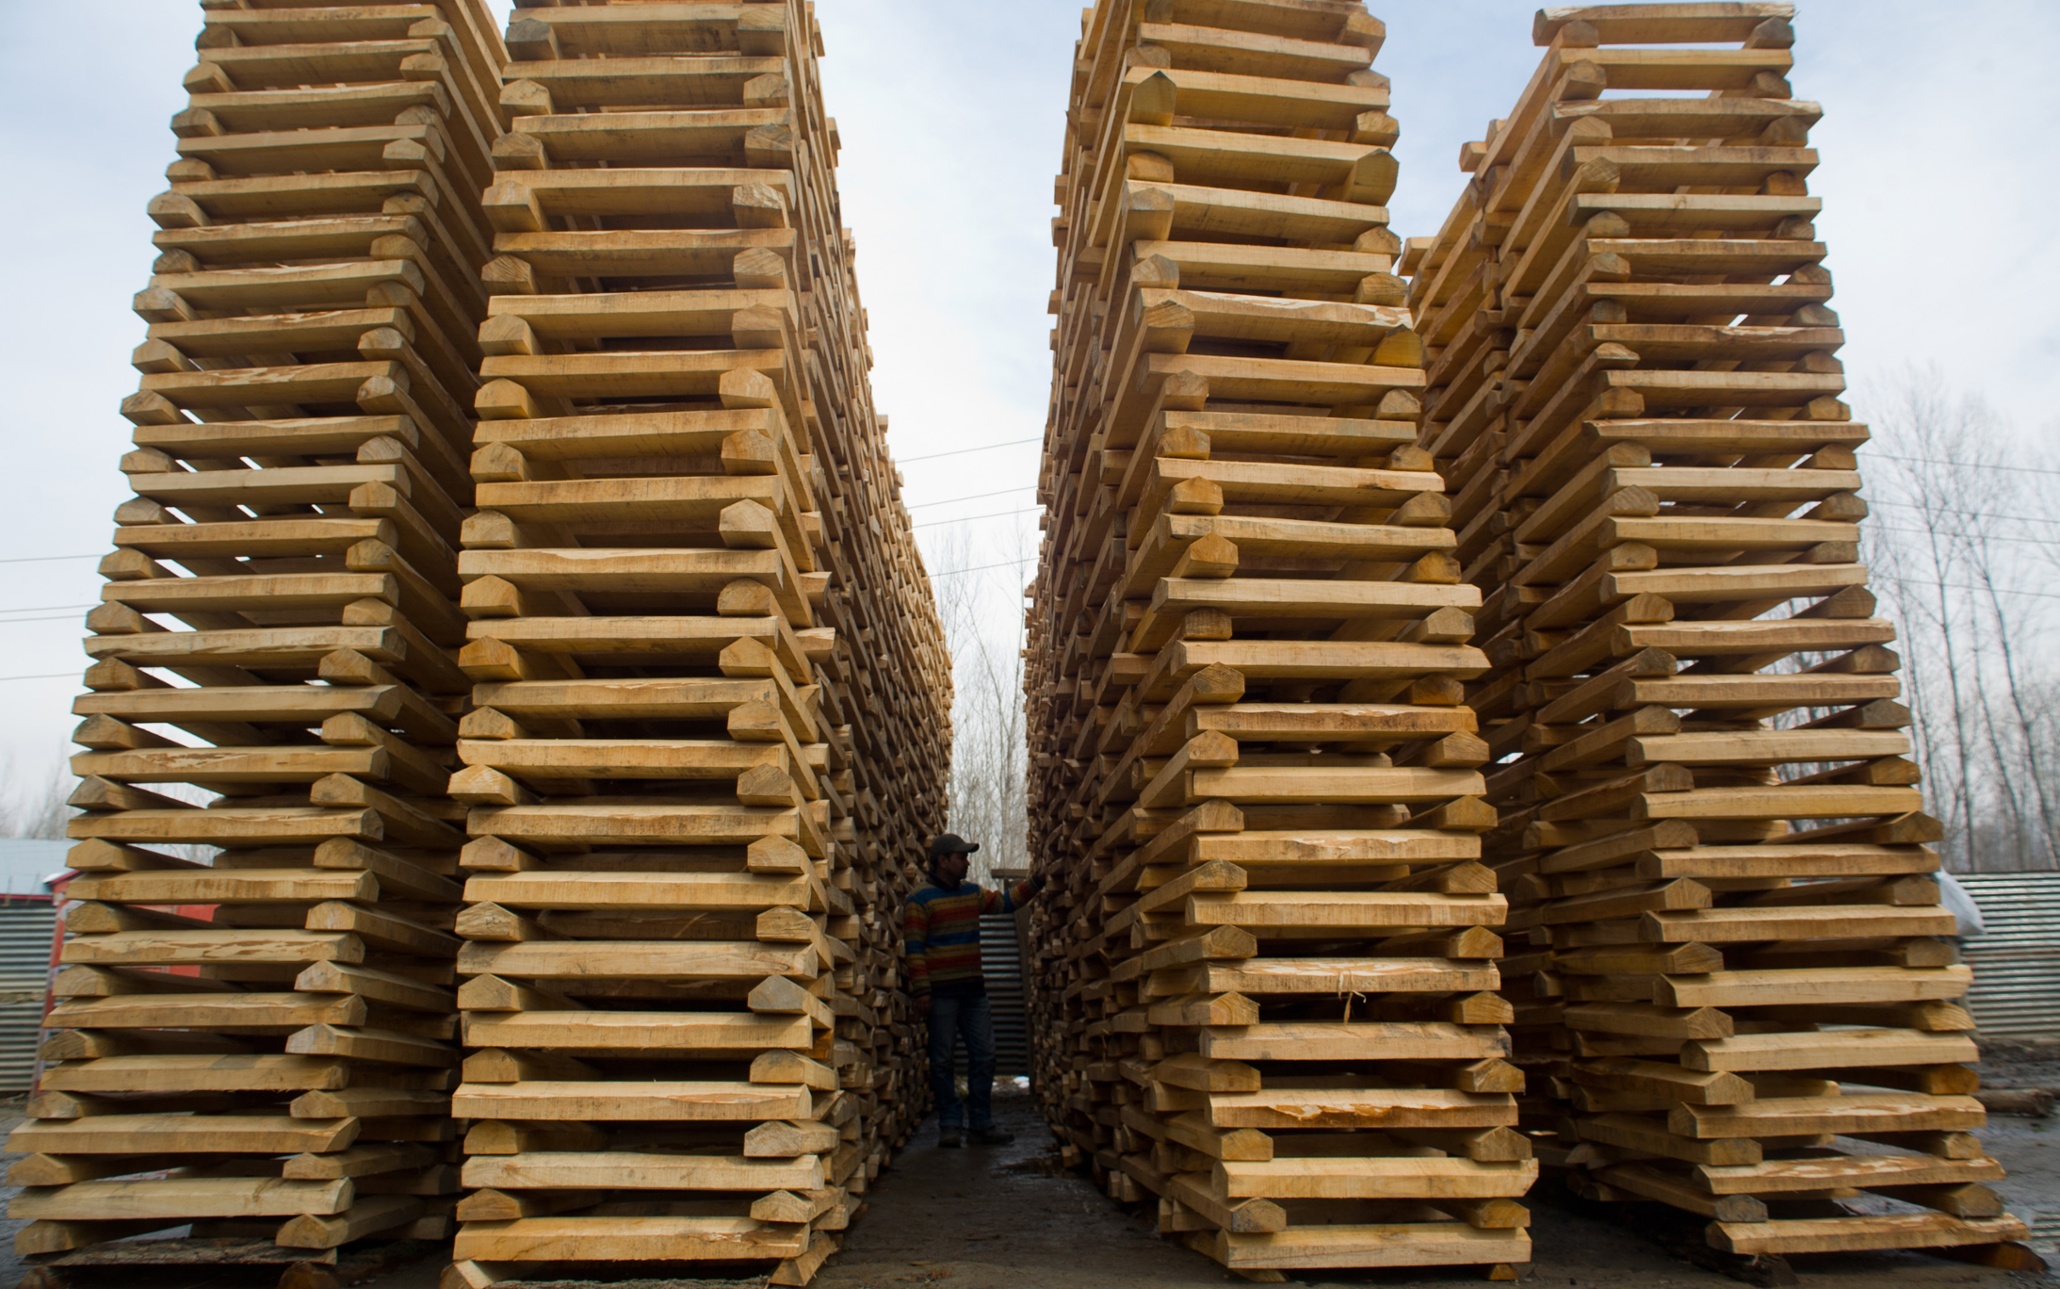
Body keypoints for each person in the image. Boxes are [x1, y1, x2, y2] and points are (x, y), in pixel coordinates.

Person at [903, 832, 1045, 1147]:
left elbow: (1007, 903)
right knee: (942, 1060)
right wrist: (922, 991)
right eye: (961, 857)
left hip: (973, 992)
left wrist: (1038, 880)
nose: (967, 862)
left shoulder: (971, 893)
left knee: (985, 1055)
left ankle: (980, 1122)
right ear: (942, 861)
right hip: (941, 994)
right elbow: (914, 949)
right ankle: (950, 1124)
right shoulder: (919, 899)